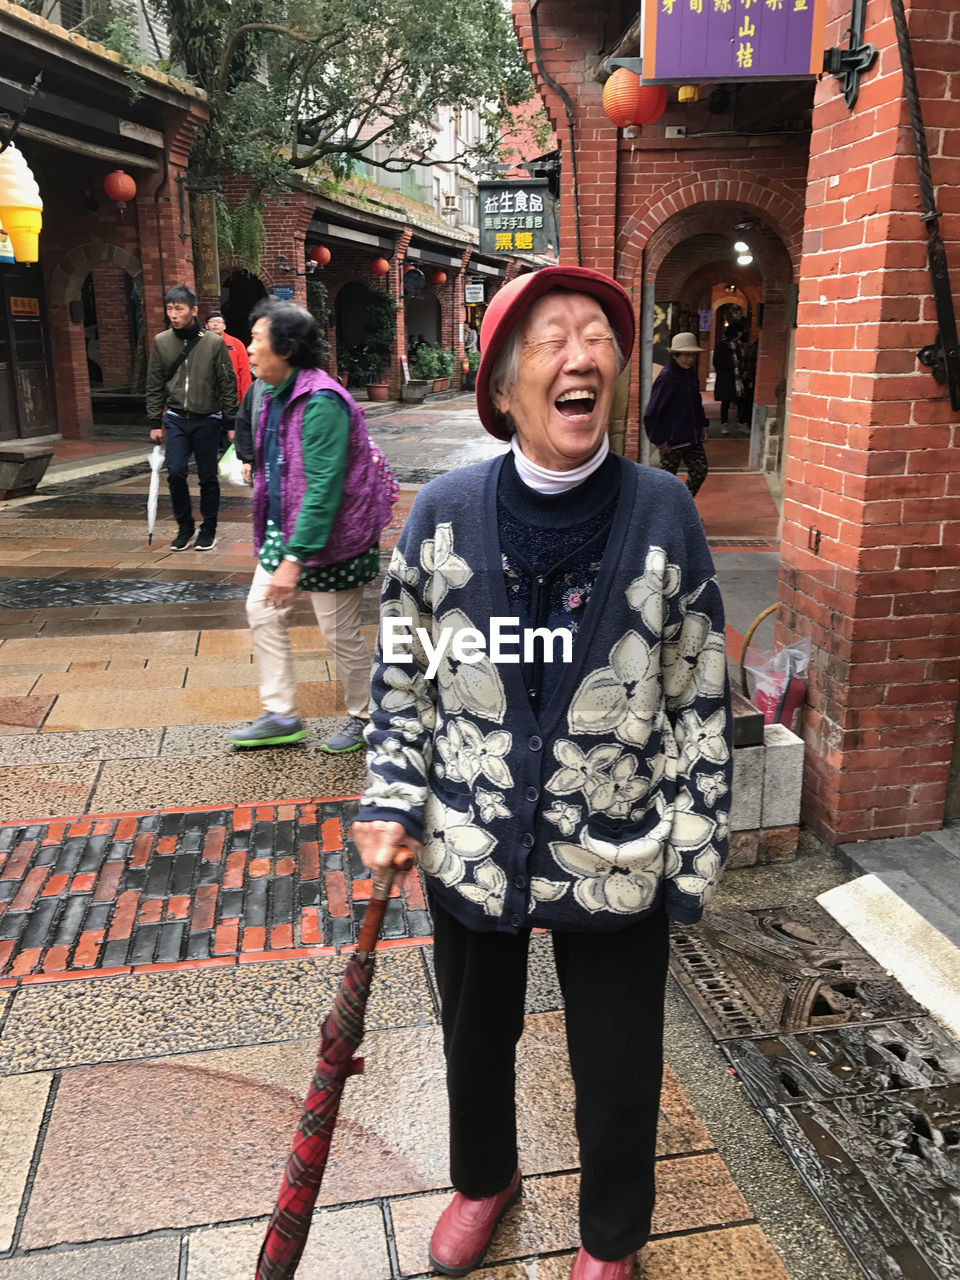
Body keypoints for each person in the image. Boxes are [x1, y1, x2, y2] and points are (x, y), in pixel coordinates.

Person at [352, 266, 732, 1280]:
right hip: (471, 837)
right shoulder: (443, 514)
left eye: (599, 334)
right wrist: (392, 793)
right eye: (552, 337)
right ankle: (485, 1177)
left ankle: (610, 1237)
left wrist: (694, 850)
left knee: (617, 1059)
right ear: (505, 387)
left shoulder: (662, 513)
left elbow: (698, 690)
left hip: (617, 846)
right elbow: (404, 674)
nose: (583, 354)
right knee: (476, 1030)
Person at [229, 300, 391, 753]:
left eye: (258, 339)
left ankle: (364, 716)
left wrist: (293, 562)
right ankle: (280, 714)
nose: (251, 349)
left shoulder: (322, 402)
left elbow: (323, 487)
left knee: (339, 633)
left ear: (287, 348)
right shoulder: (271, 393)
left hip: (337, 536)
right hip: (287, 527)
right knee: (262, 611)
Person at [146, 285, 239, 551]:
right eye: (170, 309)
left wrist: (230, 423)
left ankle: (208, 529)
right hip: (176, 418)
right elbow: (154, 383)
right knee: (175, 472)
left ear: (193, 310)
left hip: (208, 419)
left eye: (179, 309)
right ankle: (184, 526)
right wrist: (155, 421)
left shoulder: (213, 342)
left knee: (208, 477)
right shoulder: (162, 342)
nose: (173, 315)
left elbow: (227, 383)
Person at [643, 332, 711, 498]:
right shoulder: (667, 378)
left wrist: (700, 426)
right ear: (675, 355)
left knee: (699, 471)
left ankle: (683, 509)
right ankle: (663, 518)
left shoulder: (689, 375)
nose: (690, 359)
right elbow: (650, 415)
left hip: (692, 437)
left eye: (692, 355)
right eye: (686, 355)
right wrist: (660, 442)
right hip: (671, 443)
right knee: (666, 483)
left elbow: (696, 404)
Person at [206, 310, 252, 401]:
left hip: (232, 395)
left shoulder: (236, 344)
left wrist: (246, 399)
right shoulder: (201, 344)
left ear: (224, 326)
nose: (215, 324)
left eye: (218, 322)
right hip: (208, 396)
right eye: (211, 322)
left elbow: (245, 372)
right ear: (206, 326)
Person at [711, 325, 744, 435]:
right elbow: (716, 363)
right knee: (725, 402)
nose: (741, 334)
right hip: (726, 378)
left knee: (740, 401)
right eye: (739, 331)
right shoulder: (722, 346)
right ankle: (724, 425)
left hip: (738, 378)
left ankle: (741, 423)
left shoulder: (739, 346)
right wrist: (731, 364)